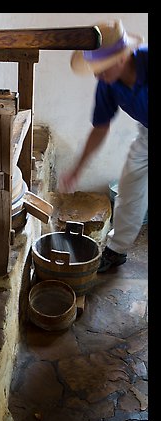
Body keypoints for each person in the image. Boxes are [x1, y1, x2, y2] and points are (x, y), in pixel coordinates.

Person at [59, 19, 148, 272]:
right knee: (130, 190)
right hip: (147, 134)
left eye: (102, 68)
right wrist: (77, 169)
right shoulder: (109, 83)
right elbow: (100, 128)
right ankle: (116, 250)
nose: (97, 74)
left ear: (121, 58)